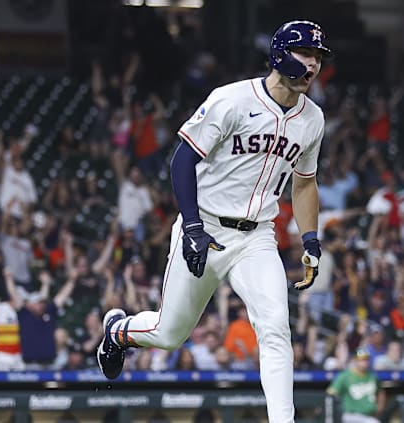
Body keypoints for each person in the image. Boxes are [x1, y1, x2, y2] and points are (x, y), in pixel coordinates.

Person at [97, 20, 331, 422]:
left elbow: (305, 184)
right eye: (306, 54)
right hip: (206, 226)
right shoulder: (233, 100)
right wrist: (191, 227)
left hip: (257, 236)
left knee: (276, 327)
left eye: (318, 58)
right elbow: (183, 159)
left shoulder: (313, 119)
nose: (312, 65)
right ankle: (119, 331)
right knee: (170, 334)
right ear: (280, 54)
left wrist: (310, 239)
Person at [327, 348, 384, 423]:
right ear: (354, 360)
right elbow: (330, 394)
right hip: (351, 416)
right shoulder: (344, 376)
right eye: (361, 360)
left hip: (371, 416)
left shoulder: (372, 376)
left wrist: (380, 408)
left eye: (366, 359)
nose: (364, 362)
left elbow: (381, 391)